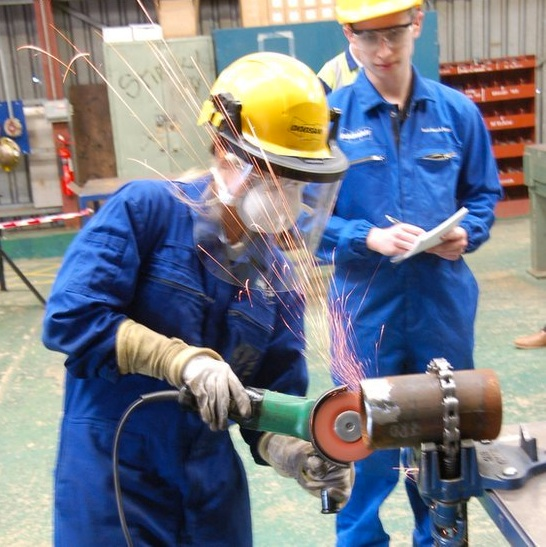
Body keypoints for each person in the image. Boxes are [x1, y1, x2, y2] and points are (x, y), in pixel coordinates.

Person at [42, 52, 353, 547]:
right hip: (114, 475)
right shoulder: (146, 211)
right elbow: (71, 318)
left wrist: (297, 452)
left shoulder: (276, 278)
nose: (287, 194)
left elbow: (269, 402)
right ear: (224, 152)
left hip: (208, 492)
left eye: (298, 182)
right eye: (274, 174)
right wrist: (179, 362)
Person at [316, 1, 504, 545]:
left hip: (440, 307)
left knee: (443, 446)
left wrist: (468, 234)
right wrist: (364, 236)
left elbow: (484, 196)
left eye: (394, 34)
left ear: (416, 24)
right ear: (348, 35)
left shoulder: (457, 113)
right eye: (366, 37)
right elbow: (303, 214)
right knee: (361, 445)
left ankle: (439, 536)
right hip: (362, 309)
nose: (383, 50)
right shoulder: (328, 119)